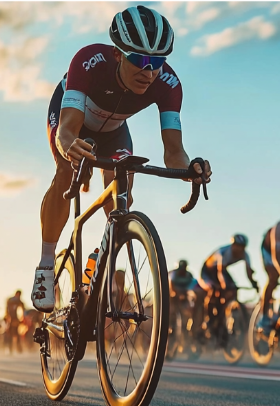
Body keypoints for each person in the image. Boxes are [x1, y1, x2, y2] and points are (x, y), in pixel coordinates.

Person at [32, 5, 212, 312]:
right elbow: (67, 130)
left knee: (124, 178)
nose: (149, 71)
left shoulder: (168, 84)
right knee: (65, 171)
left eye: (157, 61)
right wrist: (68, 148)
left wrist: (189, 169)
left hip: (114, 131)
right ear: (118, 53)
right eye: (139, 60)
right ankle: (46, 264)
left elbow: (173, 151)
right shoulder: (89, 61)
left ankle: (104, 250)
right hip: (72, 118)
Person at [198, 235, 258, 328]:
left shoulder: (245, 255)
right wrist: (224, 285)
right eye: (237, 246)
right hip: (208, 272)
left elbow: (248, 272)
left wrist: (254, 283)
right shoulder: (223, 252)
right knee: (213, 289)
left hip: (222, 270)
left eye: (241, 247)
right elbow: (220, 272)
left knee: (233, 290)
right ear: (232, 245)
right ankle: (209, 318)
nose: (239, 249)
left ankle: (223, 312)